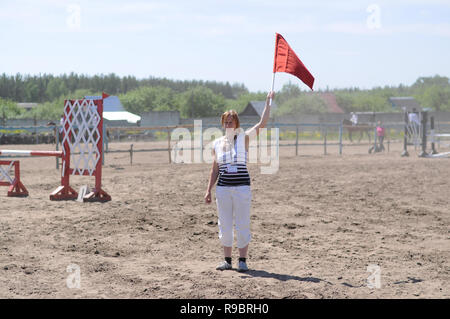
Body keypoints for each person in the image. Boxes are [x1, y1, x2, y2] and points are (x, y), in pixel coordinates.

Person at [204, 91, 275, 272]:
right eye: (225, 122)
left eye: (231, 121)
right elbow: (215, 169)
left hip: (242, 188)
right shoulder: (217, 144)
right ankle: (227, 260)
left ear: (236, 124)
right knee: (225, 224)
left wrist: (268, 103)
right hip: (223, 190)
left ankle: (242, 261)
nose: (228, 124)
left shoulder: (244, 138)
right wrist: (208, 190)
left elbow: (262, 123)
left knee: (242, 223)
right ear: (222, 124)